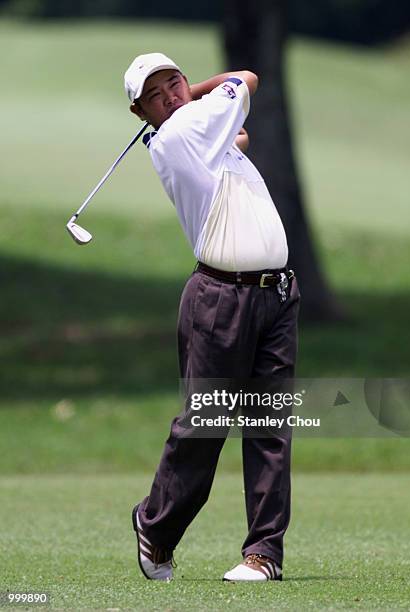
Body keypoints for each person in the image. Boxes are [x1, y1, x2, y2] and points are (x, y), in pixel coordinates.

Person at [124, 52, 300, 582]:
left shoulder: (194, 132)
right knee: (206, 424)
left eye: (175, 83)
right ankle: (154, 525)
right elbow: (246, 76)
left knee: (269, 426)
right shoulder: (181, 134)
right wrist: (196, 93)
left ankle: (263, 554)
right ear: (141, 114)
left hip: (276, 295)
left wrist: (179, 99)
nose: (173, 96)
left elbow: (237, 138)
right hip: (222, 299)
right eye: (156, 96)